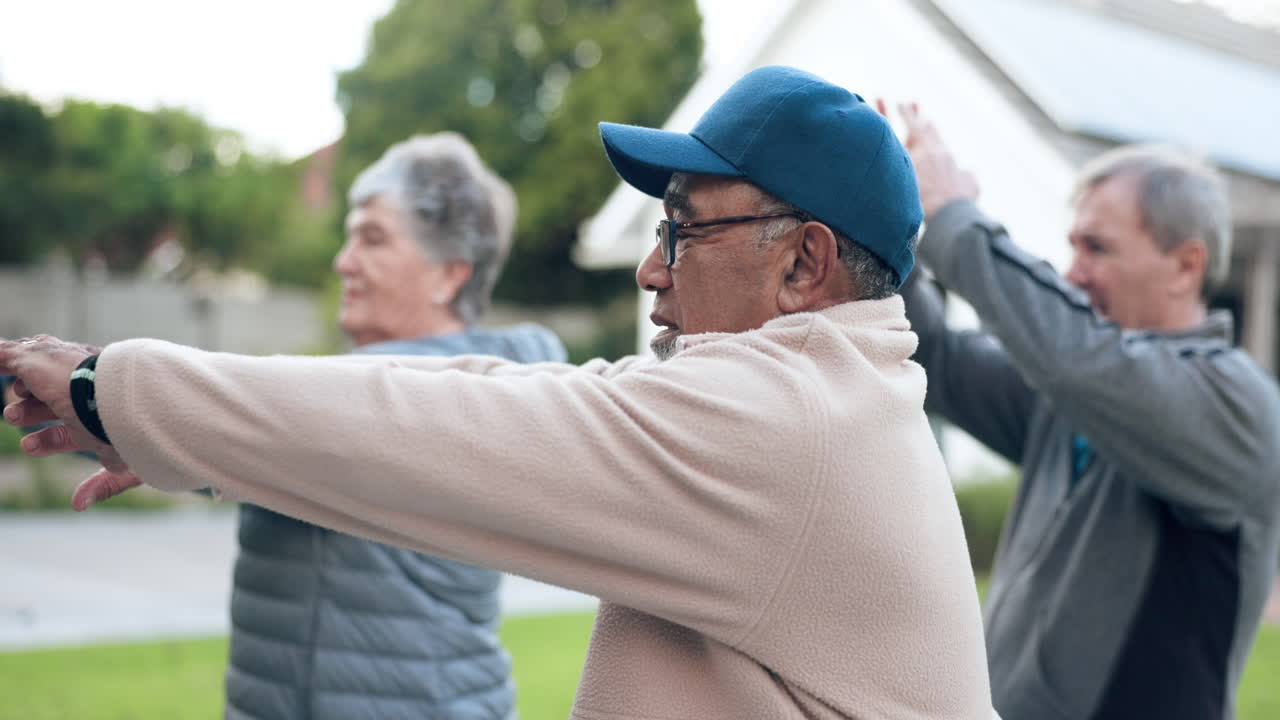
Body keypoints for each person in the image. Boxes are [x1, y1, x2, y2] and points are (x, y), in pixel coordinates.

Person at [1, 66, 997, 719]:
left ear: (802, 265)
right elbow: (479, 395)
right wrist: (162, 425)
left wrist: (110, 386)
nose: (651, 271)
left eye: (682, 230)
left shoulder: (786, 425)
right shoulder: (826, 396)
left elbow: (445, 428)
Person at [888, 102, 1280, 719]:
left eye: (1097, 247)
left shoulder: (1238, 405)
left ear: (1187, 266)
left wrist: (954, 219)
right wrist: (886, 224)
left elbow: (1079, 360)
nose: (1073, 272)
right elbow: (930, 353)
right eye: (1072, 245)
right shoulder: (1070, 391)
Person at [226, 133, 565, 719]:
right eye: (349, 235)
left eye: (372, 238)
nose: (343, 260)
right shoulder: (339, 392)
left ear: (448, 274)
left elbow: (228, 420)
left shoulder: (451, 404)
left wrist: (113, 397)